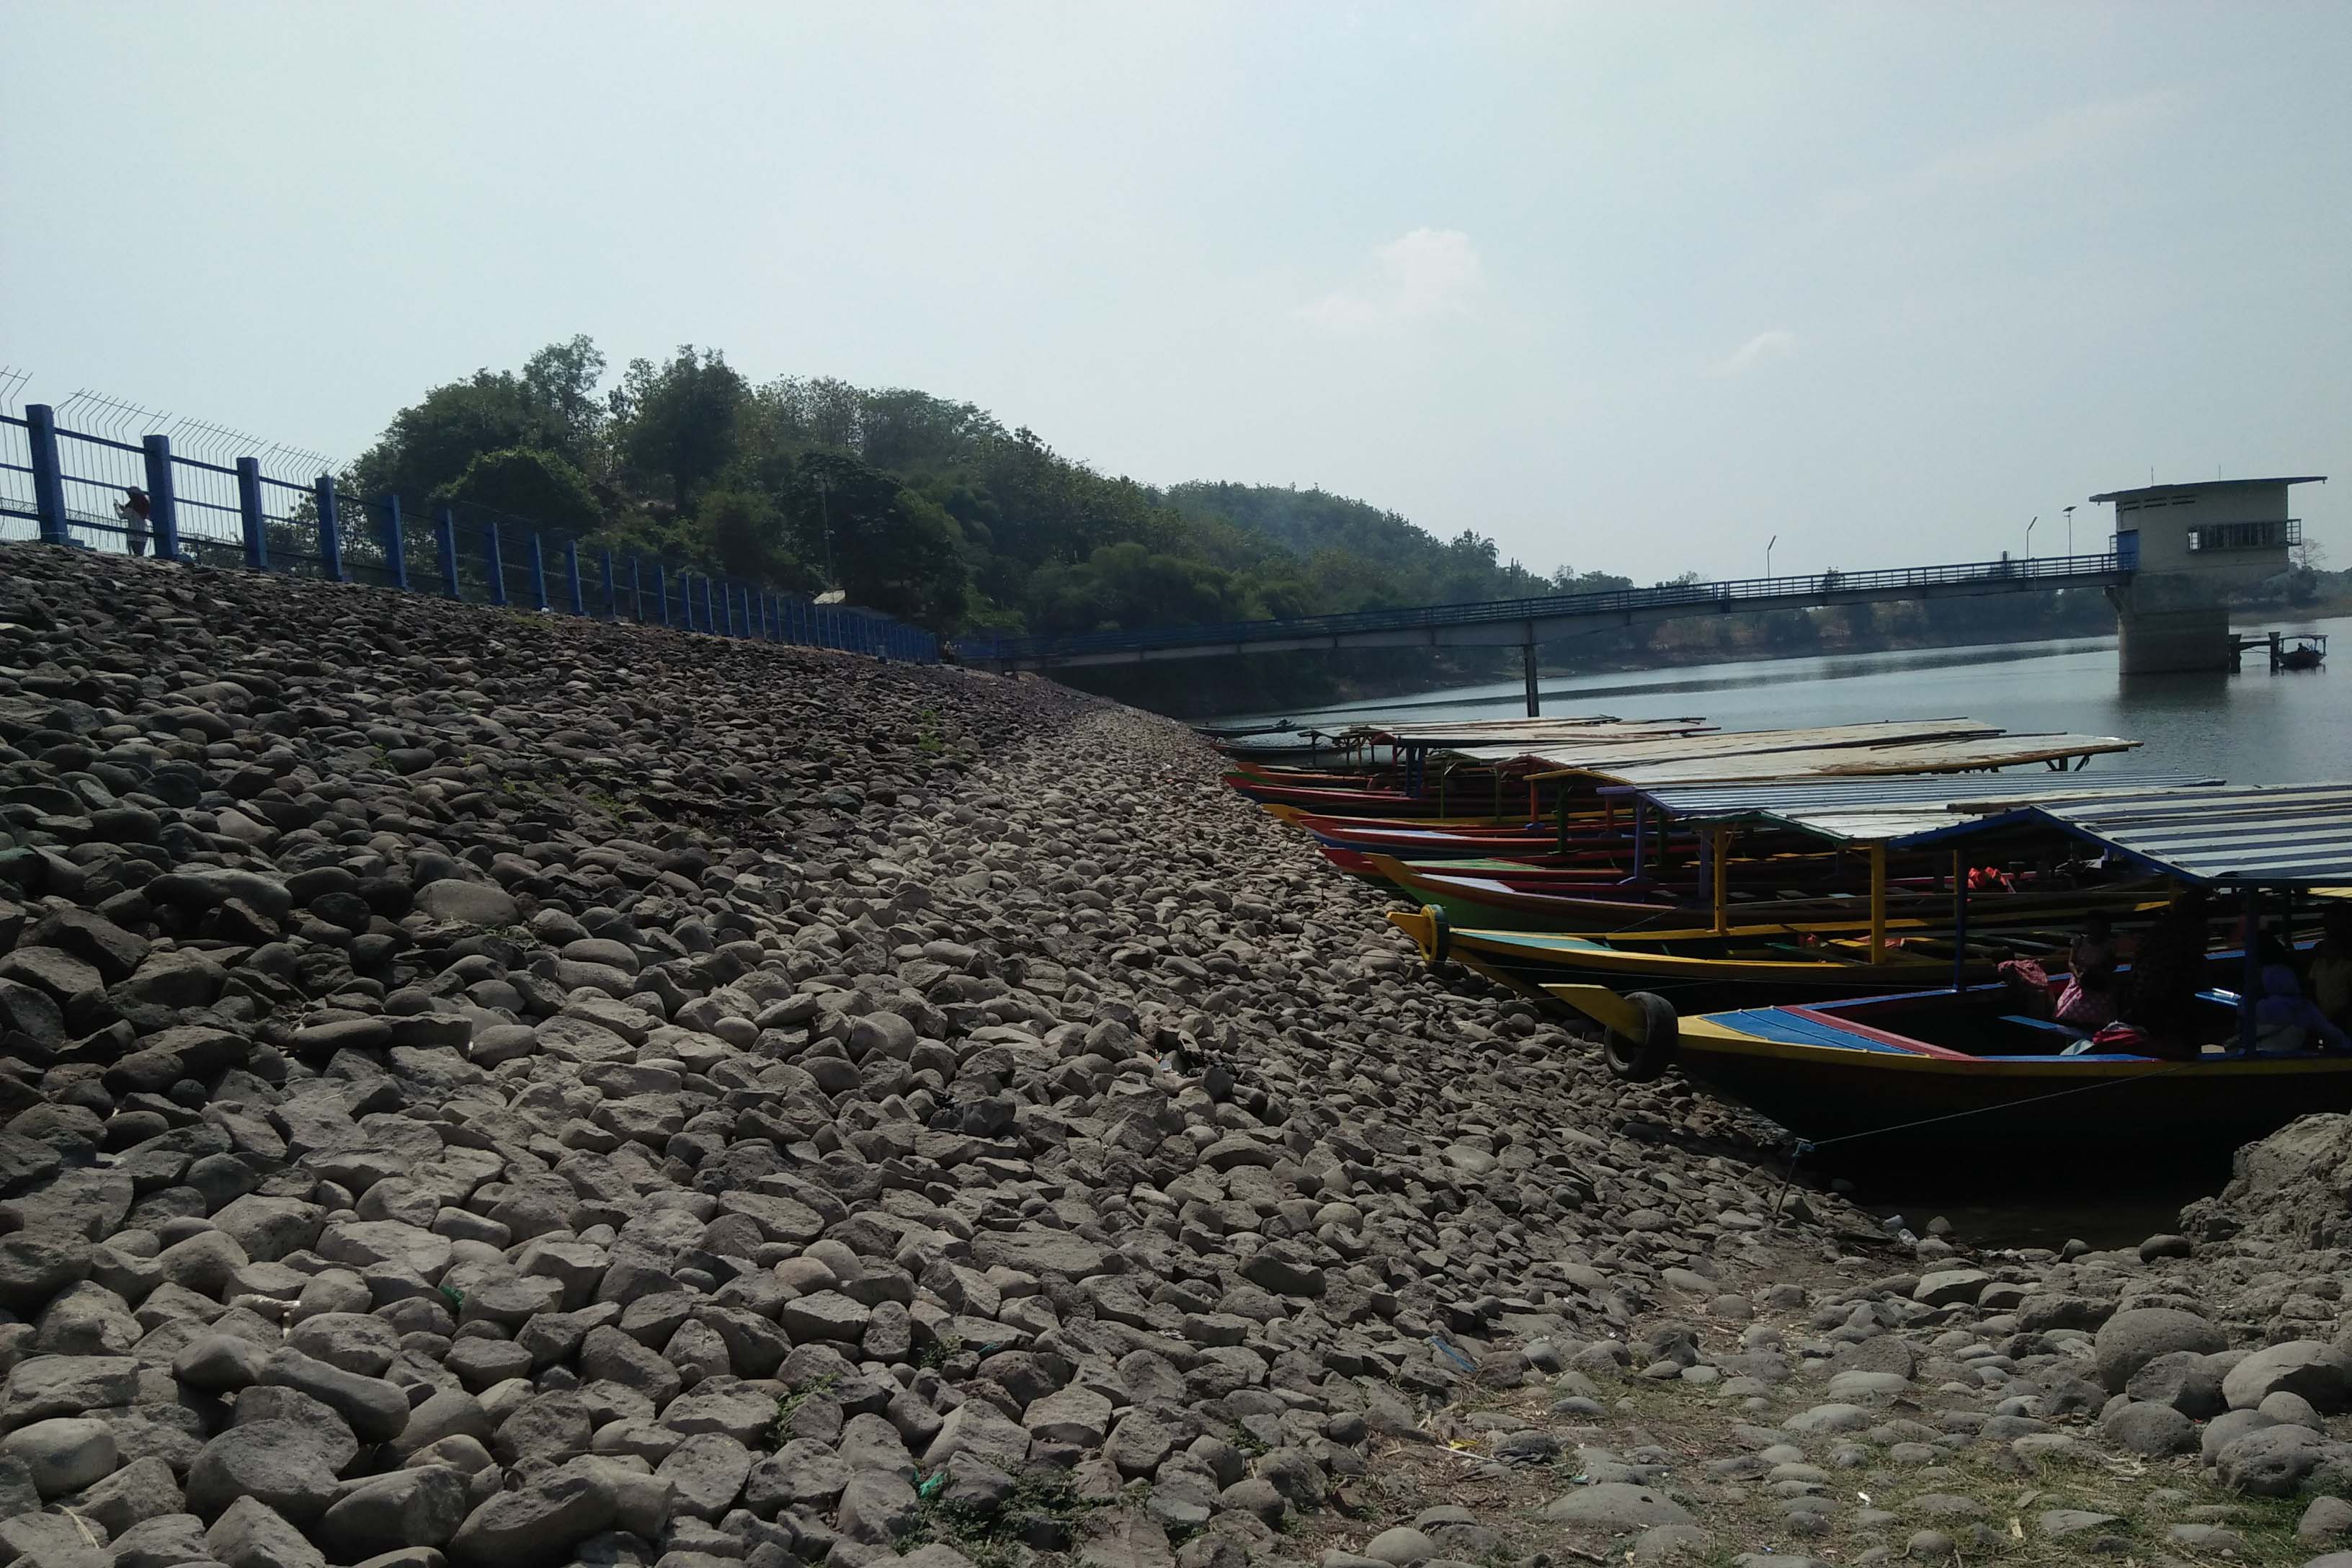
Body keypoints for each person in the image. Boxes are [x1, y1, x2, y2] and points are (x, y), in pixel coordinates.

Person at [2119, 887, 2214, 1060]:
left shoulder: (2161, 928)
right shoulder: (2189, 931)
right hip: (2166, 996)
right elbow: (2189, 964)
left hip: (2149, 995)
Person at [2054, 909, 2119, 1029]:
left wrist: (2100, 971)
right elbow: (2071, 962)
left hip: (2099, 984)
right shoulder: (2079, 941)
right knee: (2068, 1011)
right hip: (2079, 981)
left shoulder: (2109, 945)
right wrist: (2077, 975)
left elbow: (2113, 965)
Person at [2309, 906, 2352, 1030]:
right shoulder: (2318, 962)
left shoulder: (2347, 965)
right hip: (2322, 1013)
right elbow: (2311, 985)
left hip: (2343, 1014)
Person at [116, 488, 151, 558]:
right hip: (143, 533)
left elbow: (122, 516)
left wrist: (117, 507)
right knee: (140, 553)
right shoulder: (144, 507)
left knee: (137, 554)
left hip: (133, 534)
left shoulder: (131, 507)